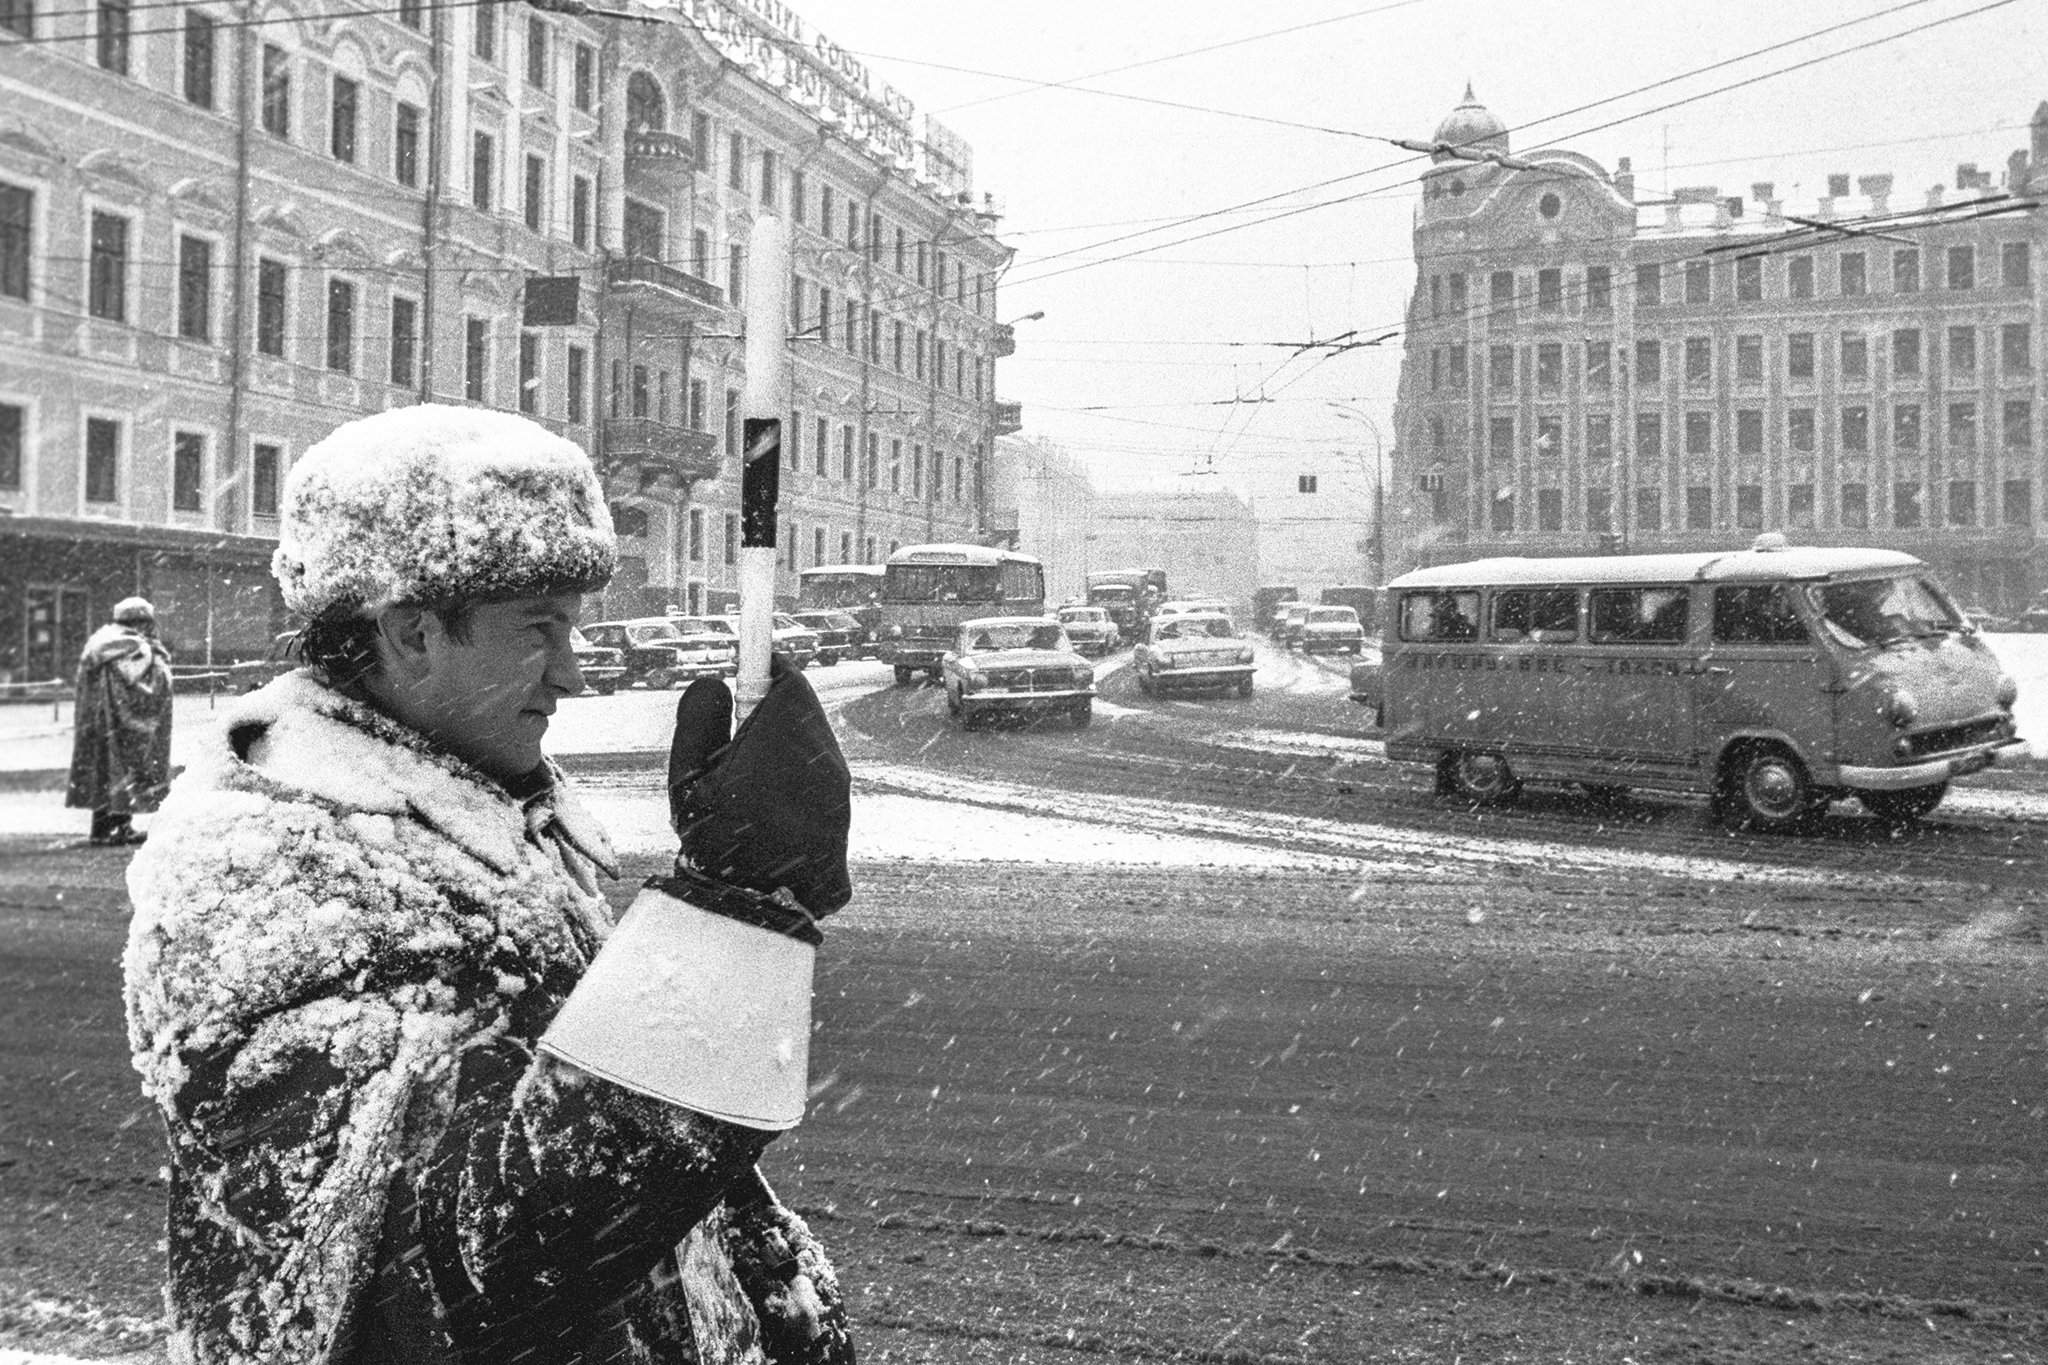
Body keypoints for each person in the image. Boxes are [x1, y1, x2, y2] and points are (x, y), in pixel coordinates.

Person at [123, 405, 855, 1365]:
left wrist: (777, 1297)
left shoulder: (479, 815)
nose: (573, 673)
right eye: (539, 629)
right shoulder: (269, 870)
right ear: (413, 632)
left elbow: (623, 1200)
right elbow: (470, 1259)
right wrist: (733, 913)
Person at [66, 595, 172, 846]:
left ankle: (103, 829)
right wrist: (157, 656)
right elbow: (149, 687)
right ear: (140, 621)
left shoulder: (99, 642)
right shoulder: (133, 648)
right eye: (148, 621)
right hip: (122, 723)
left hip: (96, 723)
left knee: (103, 774)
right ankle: (117, 828)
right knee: (121, 772)